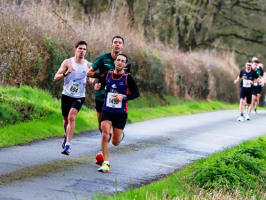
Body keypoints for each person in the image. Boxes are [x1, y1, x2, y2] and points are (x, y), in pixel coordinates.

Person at [94, 53, 139, 173]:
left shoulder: (128, 77)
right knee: (104, 134)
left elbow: (136, 93)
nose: (119, 62)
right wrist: (98, 86)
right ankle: (106, 163)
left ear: (125, 64)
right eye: (118, 60)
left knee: (115, 142)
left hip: (121, 113)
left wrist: (123, 97)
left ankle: (120, 134)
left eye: (122, 61)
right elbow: (101, 83)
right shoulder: (108, 74)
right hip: (107, 109)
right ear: (115, 62)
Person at [54, 40, 91, 155]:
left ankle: (68, 146)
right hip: (66, 95)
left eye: (84, 49)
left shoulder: (88, 65)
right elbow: (55, 77)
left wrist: (93, 82)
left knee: (71, 117)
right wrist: (66, 74)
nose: (82, 51)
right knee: (65, 120)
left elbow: (91, 80)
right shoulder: (67, 62)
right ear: (75, 49)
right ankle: (66, 135)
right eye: (80, 48)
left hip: (79, 96)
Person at [87, 36, 128, 134]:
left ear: (122, 46)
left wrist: (124, 95)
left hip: (116, 97)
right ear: (111, 45)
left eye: (119, 43)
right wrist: (99, 77)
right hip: (101, 95)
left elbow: (128, 80)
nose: (117, 44)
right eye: (115, 42)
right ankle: (106, 140)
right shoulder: (103, 58)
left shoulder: (125, 62)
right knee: (101, 125)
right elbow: (89, 73)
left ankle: (115, 135)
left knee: (113, 124)